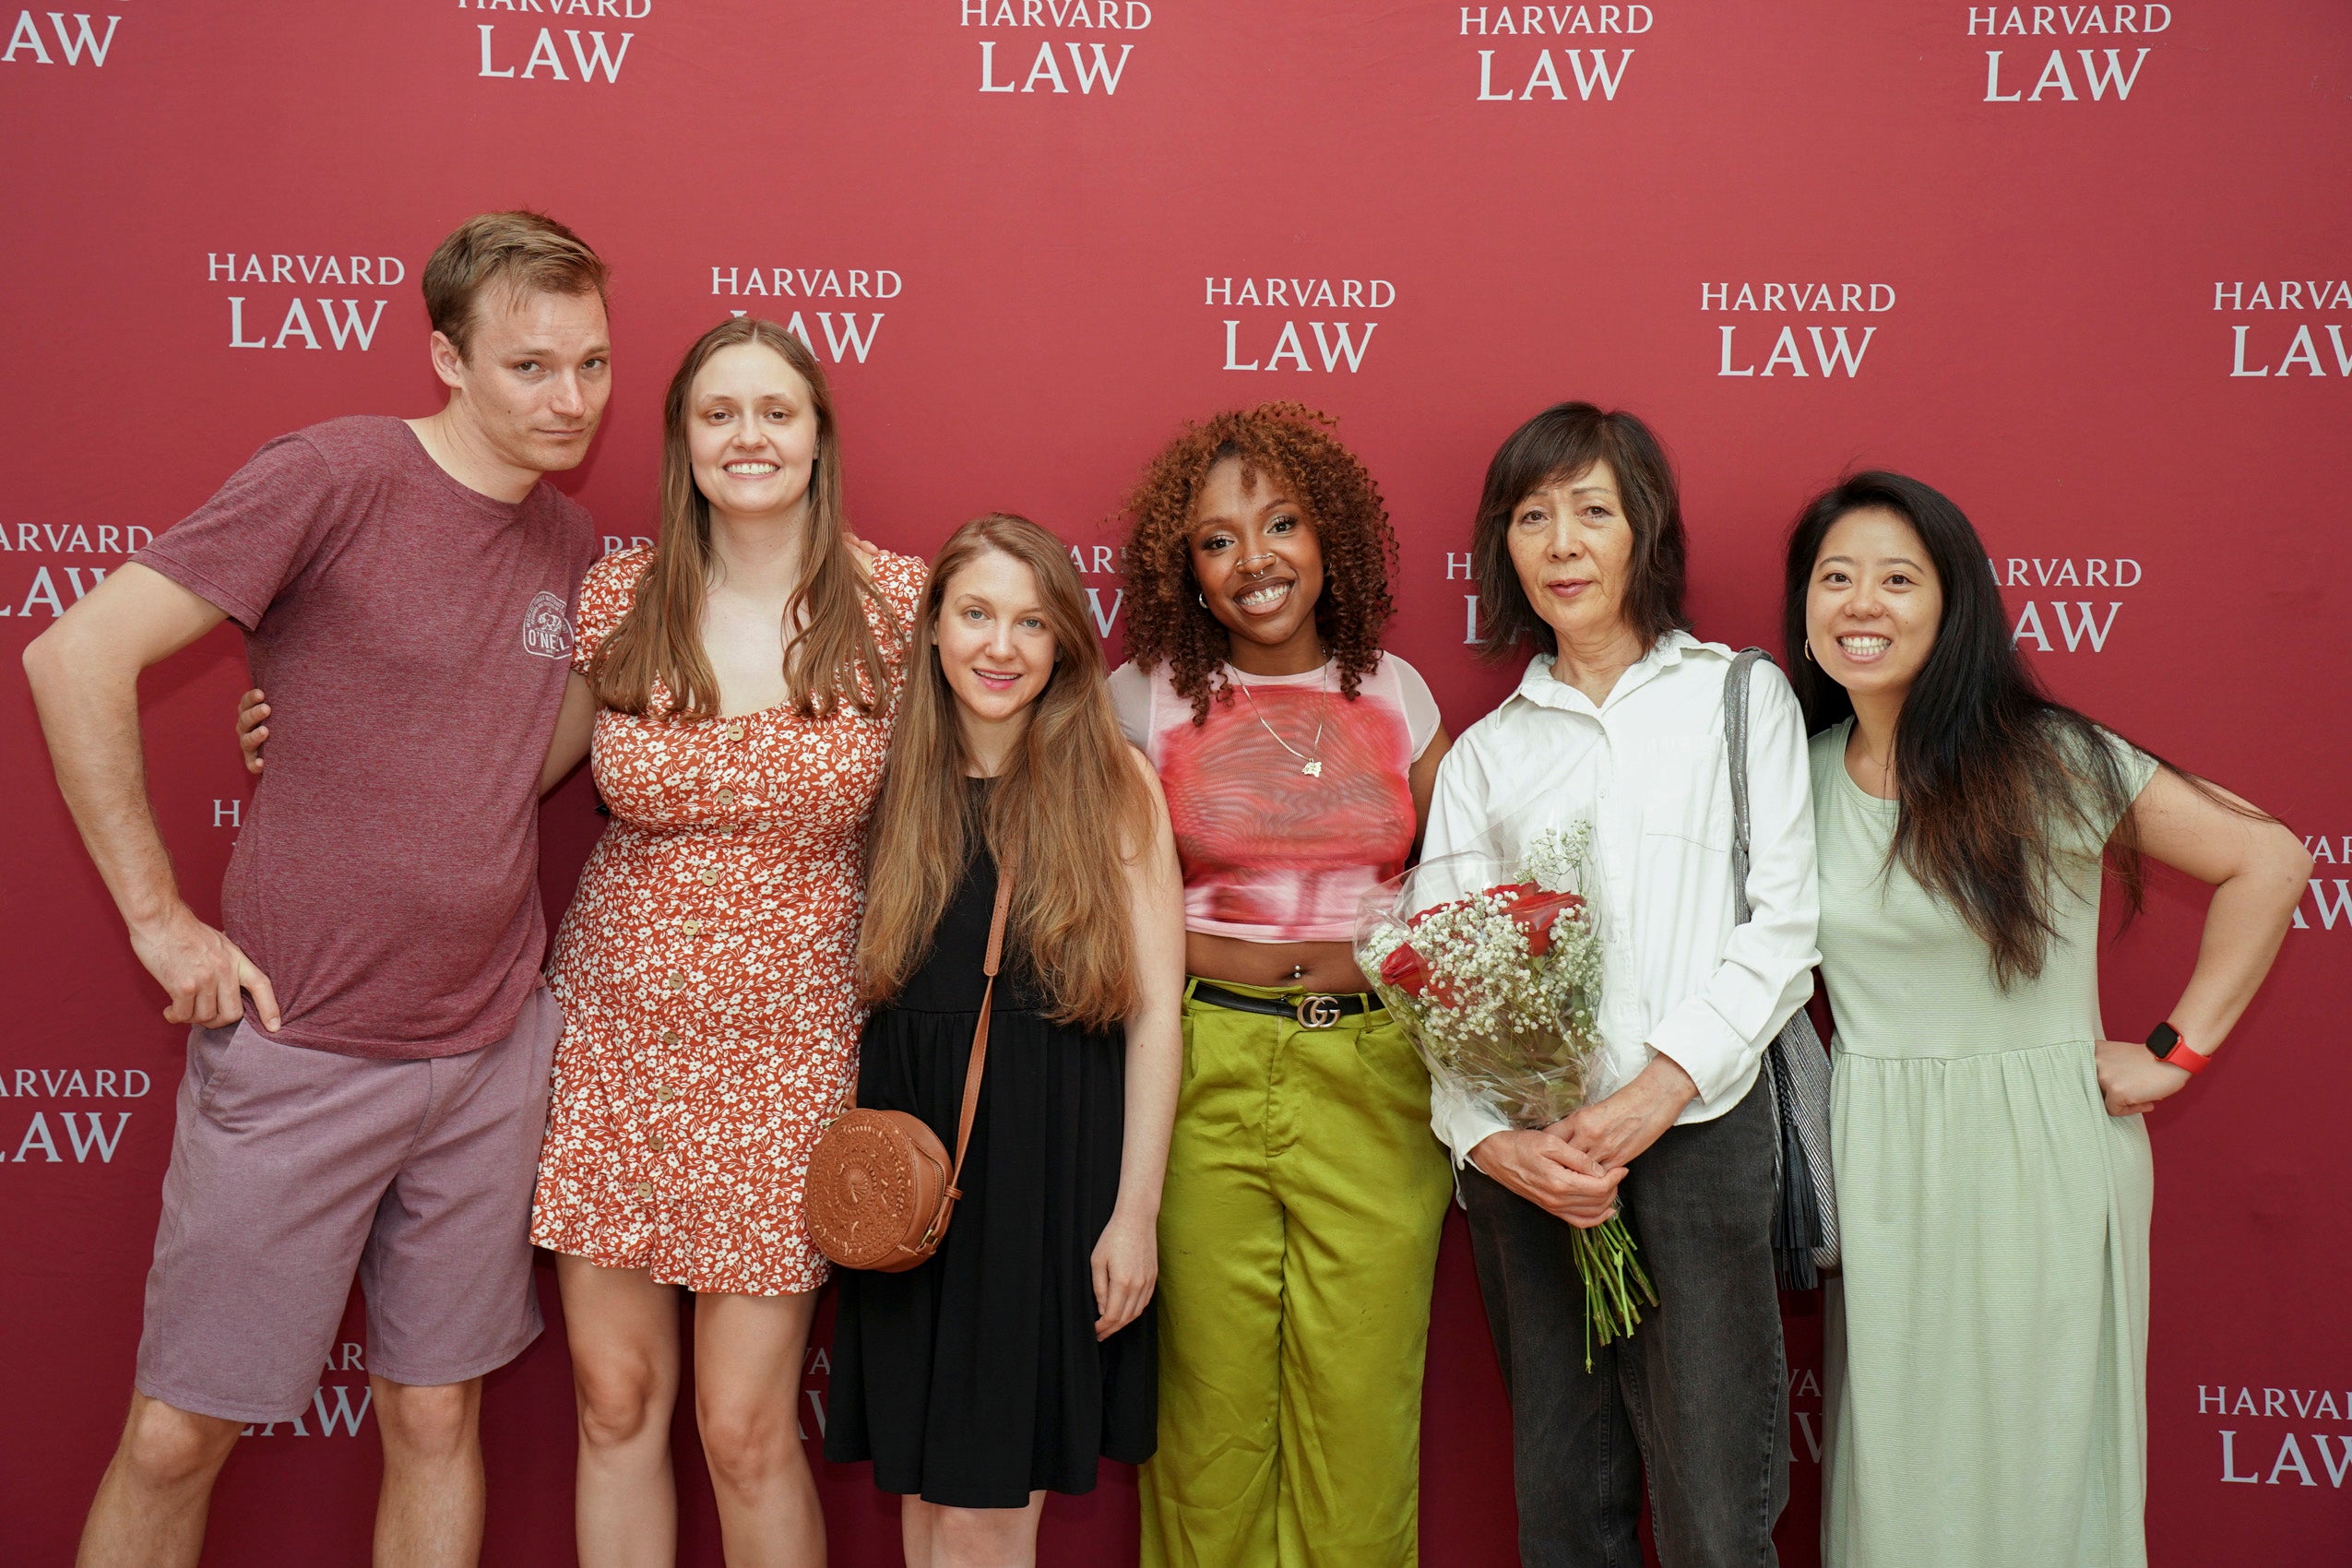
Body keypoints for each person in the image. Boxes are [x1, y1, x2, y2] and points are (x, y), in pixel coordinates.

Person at [22, 211, 612, 1568]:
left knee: (434, 1414)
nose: (568, 398)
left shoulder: (572, 545)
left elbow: (526, 752)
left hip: (484, 1056)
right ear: (446, 358)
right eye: (530, 365)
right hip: (302, 1050)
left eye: (589, 364)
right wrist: (161, 923)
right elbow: (74, 659)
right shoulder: (335, 473)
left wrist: (334, 729)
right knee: (179, 1431)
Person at [1784, 473, 2310, 1568]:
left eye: (1896, 578)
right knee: (1902, 1467)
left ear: (1953, 603)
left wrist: (2178, 1050)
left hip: (2042, 1147)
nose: (1861, 603)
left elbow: (2267, 857)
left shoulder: (2044, 756)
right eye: (1835, 577)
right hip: (1881, 1147)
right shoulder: (1802, 773)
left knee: (2041, 1457)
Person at [1422, 401, 1819, 1568]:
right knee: (1564, 1499)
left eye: (1593, 510)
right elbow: (1441, 982)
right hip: (1538, 1172)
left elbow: (1784, 930)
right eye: (1533, 517)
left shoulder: (1739, 698)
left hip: (1698, 1134)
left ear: (1646, 528)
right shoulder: (1488, 751)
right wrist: (1495, 1141)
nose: (1562, 543)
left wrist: (1654, 1091)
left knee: (1719, 1499)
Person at [1109, 403, 1455, 1568]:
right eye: (1217, 539)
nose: (1254, 559)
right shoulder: (1138, 700)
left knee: (1360, 1410)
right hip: (1203, 1065)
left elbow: (1450, 907)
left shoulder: (1402, 696)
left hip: (1374, 1076)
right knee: (1207, 1423)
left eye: (1281, 523)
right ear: (1183, 568)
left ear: (1331, 536)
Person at [825, 512, 1184, 1568]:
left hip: (1042, 1170)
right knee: (930, 1505)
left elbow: (1158, 1009)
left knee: (987, 1514)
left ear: (1068, 641)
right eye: (975, 612)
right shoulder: (885, 780)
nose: (1001, 645)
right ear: (931, 625)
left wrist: (1135, 1213)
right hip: (903, 1173)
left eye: (1032, 622)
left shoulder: (1113, 784)